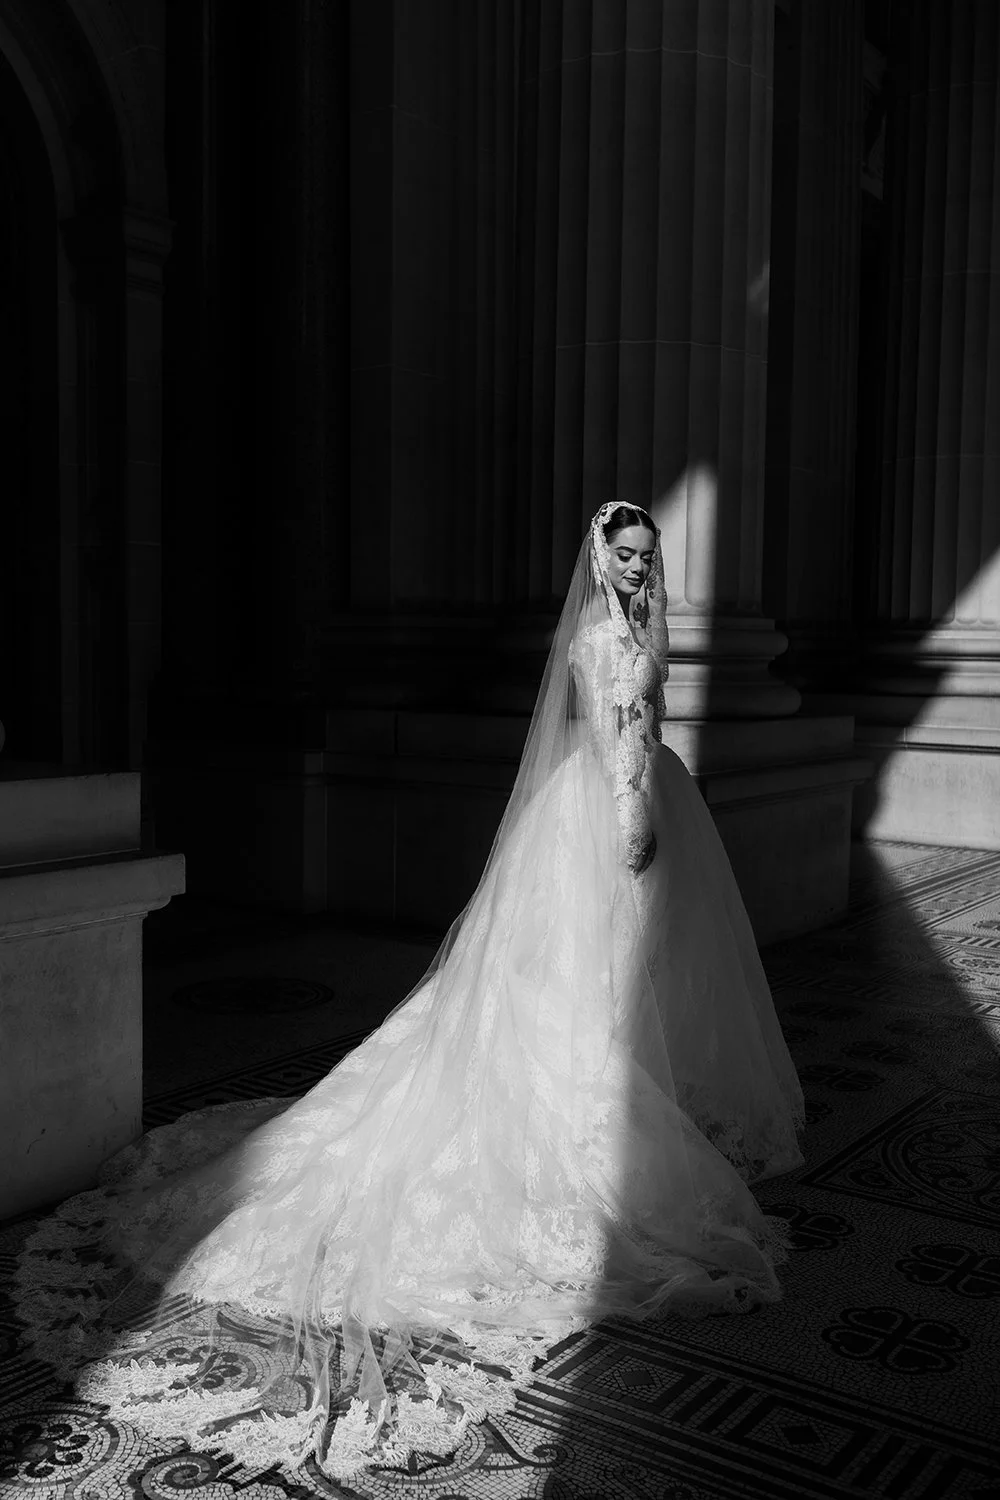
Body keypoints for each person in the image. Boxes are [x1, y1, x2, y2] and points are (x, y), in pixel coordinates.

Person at [13, 502, 803, 1483]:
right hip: (608, 816)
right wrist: (634, 819)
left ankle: (627, 1100)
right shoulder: (603, 639)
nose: (641, 571)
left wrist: (651, 799)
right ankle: (591, 1127)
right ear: (597, 559)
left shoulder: (642, 625)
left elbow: (648, 725)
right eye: (626, 556)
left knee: (627, 982)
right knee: (578, 985)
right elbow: (613, 739)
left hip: (646, 805)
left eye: (649, 557)